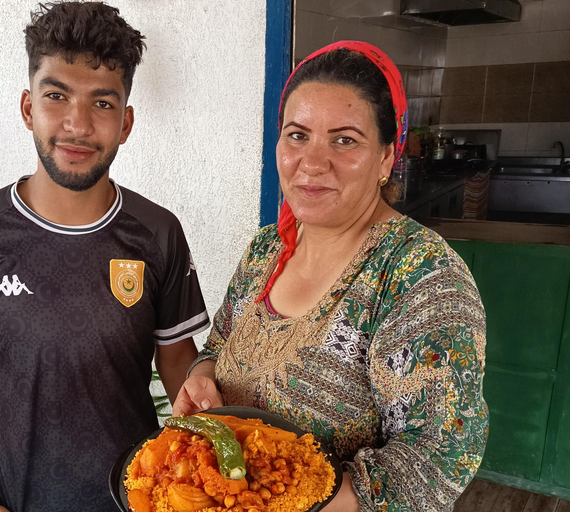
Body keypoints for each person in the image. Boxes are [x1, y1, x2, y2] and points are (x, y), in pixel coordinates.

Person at [173, 41, 488, 512]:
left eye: (345, 140)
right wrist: (200, 374)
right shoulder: (266, 249)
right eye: (297, 135)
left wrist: (284, 497)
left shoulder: (419, 277)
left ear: (386, 157)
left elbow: (439, 460)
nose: (313, 163)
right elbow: (219, 342)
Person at [0, 3, 209, 511]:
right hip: (20, 501)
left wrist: (208, 441)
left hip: (140, 499)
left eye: (102, 103)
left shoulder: (158, 232)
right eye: (57, 96)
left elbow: (176, 357)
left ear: (126, 122)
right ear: (29, 107)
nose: (77, 125)